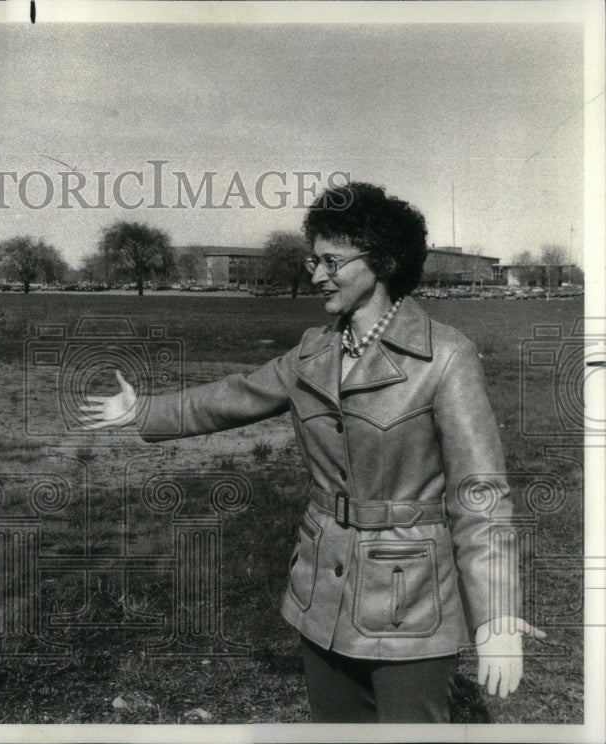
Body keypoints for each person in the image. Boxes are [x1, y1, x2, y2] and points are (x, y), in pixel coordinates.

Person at [81, 181, 545, 723]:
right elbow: (234, 396)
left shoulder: (446, 357)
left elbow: (481, 495)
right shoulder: (313, 352)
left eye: (331, 260)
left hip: (412, 600)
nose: (316, 273)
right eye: (313, 259)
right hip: (321, 592)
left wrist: (496, 618)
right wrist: (144, 411)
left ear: (382, 261)